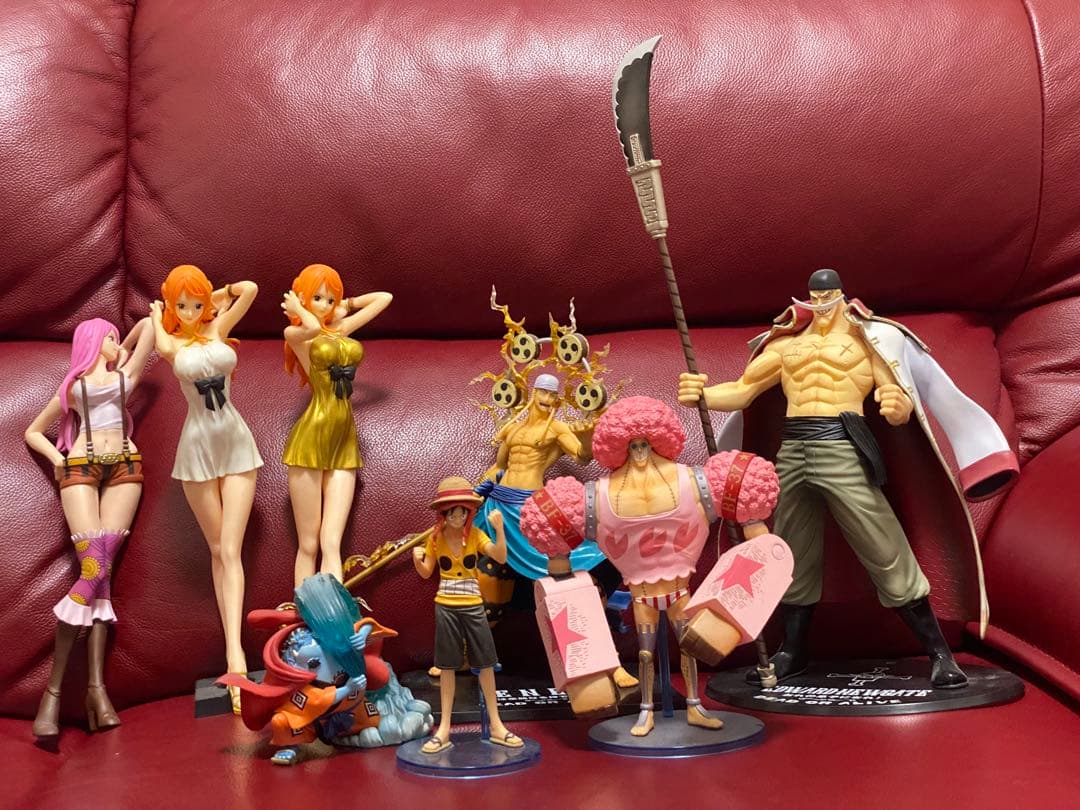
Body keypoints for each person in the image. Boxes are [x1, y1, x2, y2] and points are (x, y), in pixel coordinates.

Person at [678, 268, 1019, 688]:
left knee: (883, 543)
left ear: (841, 296)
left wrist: (897, 406)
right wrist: (703, 394)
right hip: (792, 450)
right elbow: (744, 390)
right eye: (815, 298)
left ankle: (939, 653)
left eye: (828, 297)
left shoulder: (871, 340)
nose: (821, 305)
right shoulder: (786, 346)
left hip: (841, 447)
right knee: (790, 551)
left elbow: (898, 401)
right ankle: (792, 650)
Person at [522, 396, 734, 737]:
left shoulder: (694, 481)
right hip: (641, 592)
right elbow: (552, 527)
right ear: (621, 447)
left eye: (644, 444)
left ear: (656, 442)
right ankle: (646, 710)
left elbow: (744, 492)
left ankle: (695, 706)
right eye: (633, 445)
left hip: (680, 588)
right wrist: (561, 582)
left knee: (690, 647)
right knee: (645, 655)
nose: (639, 452)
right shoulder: (597, 495)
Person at [24, 316, 155, 740]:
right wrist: (57, 459)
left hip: (126, 469)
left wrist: (123, 341)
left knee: (102, 573)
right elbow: (33, 432)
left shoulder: (124, 378)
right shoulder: (74, 388)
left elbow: (150, 326)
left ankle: (94, 691)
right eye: (110, 339)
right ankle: (56, 692)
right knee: (94, 570)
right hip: (80, 467)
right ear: (96, 342)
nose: (117, 346)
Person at [151, 264, 263, 711]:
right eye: (182, 305)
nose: (190, 312)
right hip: (197, 448)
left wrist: (212, 297)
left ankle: (236, 657)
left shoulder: (219, 325)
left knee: (230, 550)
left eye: (195, 304)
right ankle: (233, 652)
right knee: (218, 549)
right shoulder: (169, 340)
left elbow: (250, 288)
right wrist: (165, 310)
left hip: (236, 442)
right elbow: (161, 338)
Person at [281, 263, 392, 585]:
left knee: (332, 542)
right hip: (311, 436)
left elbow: (384, 298)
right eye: (318, 297)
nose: (326, 305)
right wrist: (301, 309)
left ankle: (334, 611)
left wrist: (347, 303)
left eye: (330, 299)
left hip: (344, 438)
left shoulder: (339, 330)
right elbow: (310, 328)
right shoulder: (296, 335)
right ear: (302, 298)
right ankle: (302, 610)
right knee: (309, 543)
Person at [412, 477, 523, 753]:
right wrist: (417, 559)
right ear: (444, 514)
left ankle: (497, 725)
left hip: (473, 605)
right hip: (445, 606)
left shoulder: (475, 535)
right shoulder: (434, 538)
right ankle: (444, 728)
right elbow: (426, 572)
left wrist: (500, 529)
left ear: (469, 513)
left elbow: (500, 557)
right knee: (447, 667)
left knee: (486, 663)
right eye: (453, 513)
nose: (458, 517)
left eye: (463, 512)